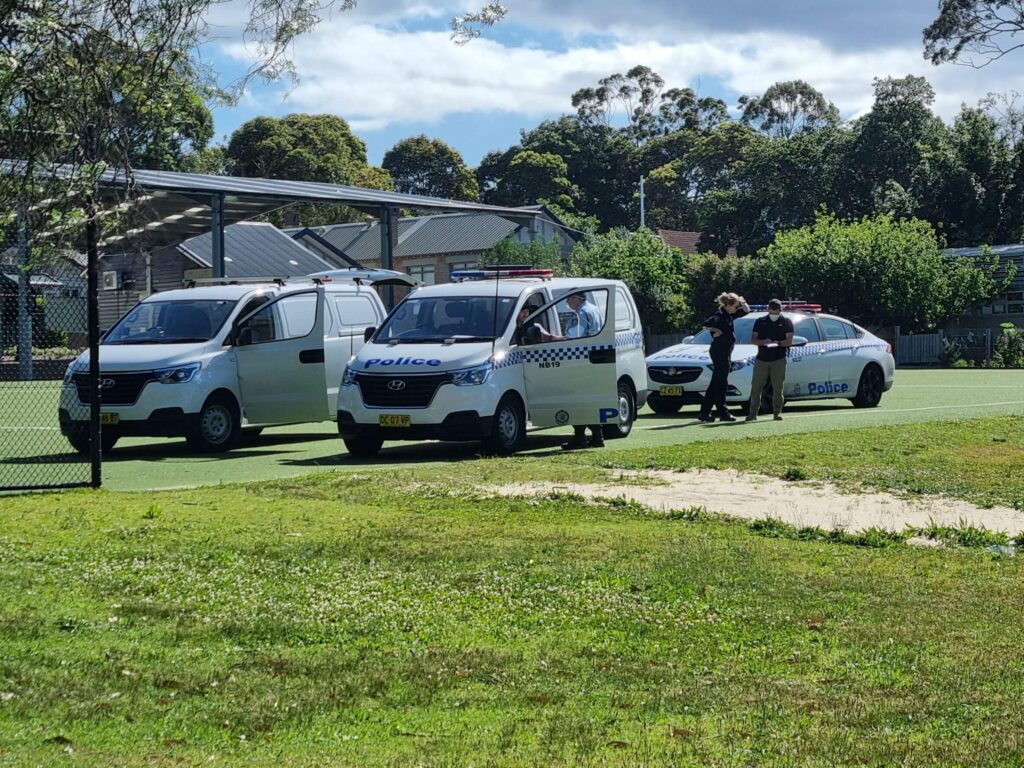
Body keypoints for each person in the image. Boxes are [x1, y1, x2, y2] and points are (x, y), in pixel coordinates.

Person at [562, 291, 605, 450]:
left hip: (580, 361)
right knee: (591, 400)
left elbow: (573, 337)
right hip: (594, 360)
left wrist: (552, 339)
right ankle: (597, 437)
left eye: (569, 299)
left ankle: (580, 438)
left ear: (576, 299)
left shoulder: (581, 314)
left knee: (577, 400)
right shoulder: (594, 309)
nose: (567, 302)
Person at [697, 292, 749, 423]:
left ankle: (705, 412)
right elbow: (706, 324)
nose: (736, 308)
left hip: (725, 350)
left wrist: (742, 302)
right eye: (735, 306)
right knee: (721, 383)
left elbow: (746, 311)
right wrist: (716, 331)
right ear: (728, 305)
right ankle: (722, 411)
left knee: (715, 382)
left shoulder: (728, 314)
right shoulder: (720, 315)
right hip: (720, 351)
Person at [746, 298, 794, 422]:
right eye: (771, 311)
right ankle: (752, 413)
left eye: (776, 311)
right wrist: (764, 342)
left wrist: (778, 343)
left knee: (778, 387)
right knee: (756, 387)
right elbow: (753, 339)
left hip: (779, 358)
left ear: (780, 310)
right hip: (762, 358)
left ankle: (777, 412)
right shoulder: (760, 321)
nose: (774, 314)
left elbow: (789, 341)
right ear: (768, 310)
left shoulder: (787, 322)